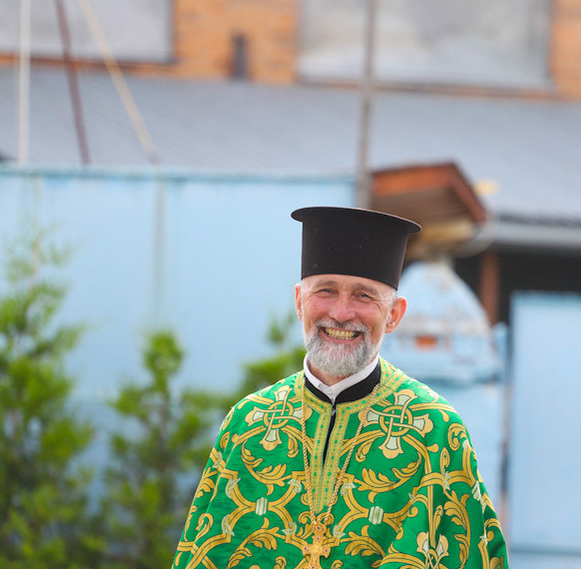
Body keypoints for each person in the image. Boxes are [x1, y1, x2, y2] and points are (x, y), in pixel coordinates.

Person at [173, 206, 508, 569]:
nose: (341, 313)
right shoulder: (248, 423)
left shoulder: (435, 431)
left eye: (364, 296)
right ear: (299, 302)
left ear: (394, 315)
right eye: (326, 291)